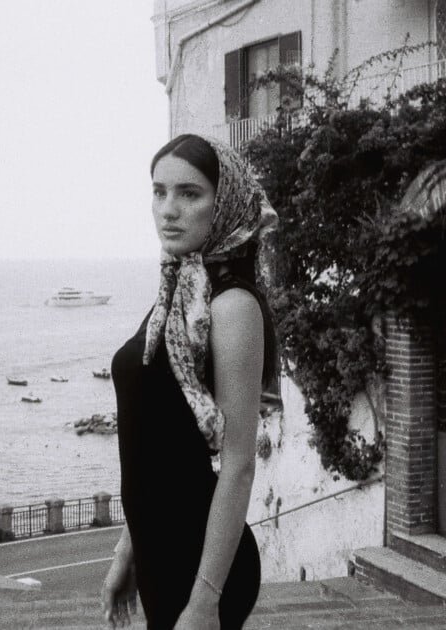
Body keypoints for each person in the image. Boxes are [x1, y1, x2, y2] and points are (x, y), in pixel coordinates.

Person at [101, 134, 279, 629]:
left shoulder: (232, 305)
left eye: (189, 193)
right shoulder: (179, 291)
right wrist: (126, 550)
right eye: (159, 192)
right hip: (159, 554)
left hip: (199, 565)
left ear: (222, 205)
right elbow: (154, 446)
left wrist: (205, 601)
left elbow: (239, 465)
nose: (168, 210)